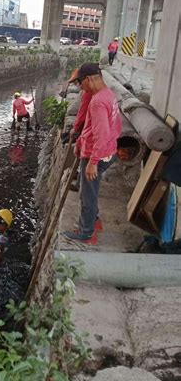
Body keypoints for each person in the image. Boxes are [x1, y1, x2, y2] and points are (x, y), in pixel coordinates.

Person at [63, 63, 122, 245]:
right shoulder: (108, 95)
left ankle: (86, 231)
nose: (80, 87)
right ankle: (93, 220)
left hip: (96, 155)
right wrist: (81, 141)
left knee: (87, 193)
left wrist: (93, 161)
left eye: (80, 83)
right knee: (90, 189)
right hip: (108, 151)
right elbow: (110, 127)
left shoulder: (97, 102)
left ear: (88, 79)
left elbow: (101, 134)